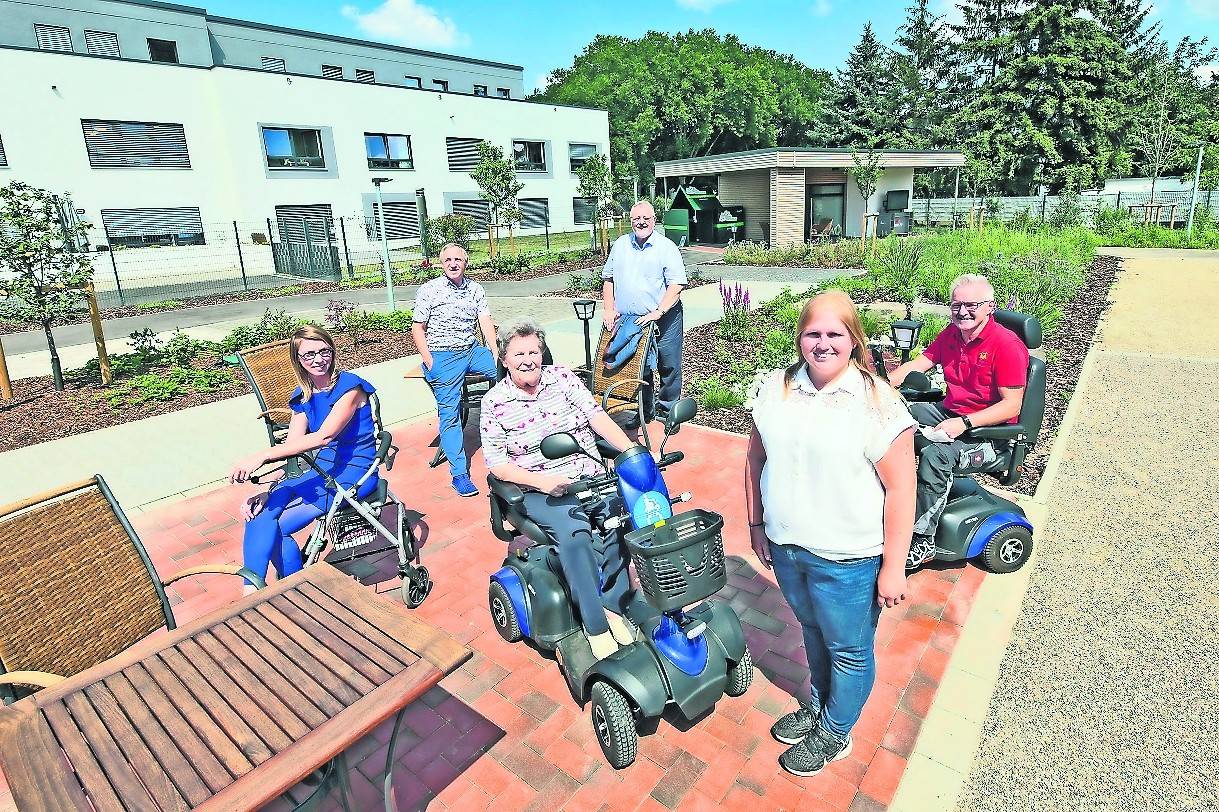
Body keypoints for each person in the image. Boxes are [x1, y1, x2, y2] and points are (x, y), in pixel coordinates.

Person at [744, 290, 916, 778]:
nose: (822, 344)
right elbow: (755, 458)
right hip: (788, 548)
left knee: (849, 649)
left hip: (849, 559)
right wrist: (757, 524)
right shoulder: (776, 389)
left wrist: (894, 568)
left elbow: (902, 490)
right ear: (799, 338)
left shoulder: (877, 402)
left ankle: (836, 732)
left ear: (852, 338)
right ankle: (820, 707)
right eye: (812, 333)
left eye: (834, 334)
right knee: (812, 632)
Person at [480, 318, 638, 660]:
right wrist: (543, 482)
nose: (528, 359)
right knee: (576, 534)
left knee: (623, 518)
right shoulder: (494, 402)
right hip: (540, 487)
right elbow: (497, 464)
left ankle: (612, 604)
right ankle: (594, 624)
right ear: (504, 359)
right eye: (519, 353)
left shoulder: (563, 377)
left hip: (590, 475)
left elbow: (596, 416)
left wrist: (631, 451)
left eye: (534, 351)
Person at [889, 273, 1029, 565]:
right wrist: (884, 385)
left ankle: (921, 540)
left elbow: (1011, 405)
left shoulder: (1007, 346)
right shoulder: (953, 334)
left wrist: (964, 423)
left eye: (971, 305)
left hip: (991, 436)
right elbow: (922, 362)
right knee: (892, 417)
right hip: (950, 412)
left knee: (937, 456)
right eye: (956, 305)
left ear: (990, 307)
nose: (962, 312)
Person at [230, 325, 380, 589]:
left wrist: (263, 456)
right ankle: (254, 589)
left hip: (354, 472)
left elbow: (324, 437)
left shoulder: (350, 388)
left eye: (324, 351)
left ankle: (292, 587)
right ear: (298, 360)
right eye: (309, 355)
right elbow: (295, 450)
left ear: (333, 351)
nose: (319, 360)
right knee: (260, 514)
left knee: (277, 527)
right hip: (321, 469)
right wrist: (270, 488)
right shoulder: (302, 396)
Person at [411, 242, 498, 497]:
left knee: (512, 372)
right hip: (443, 355)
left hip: (472, 351)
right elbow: (418, 328)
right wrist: (429, 360)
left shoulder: (475, 289)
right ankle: (459, 474)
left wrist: (495, 352)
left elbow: (485, 321)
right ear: (441, 263)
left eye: (458, 259)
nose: (453, 264)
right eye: (447, 260)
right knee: (449, 415)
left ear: (466, 262)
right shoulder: (429, 290)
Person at [601, 200, 687, 424]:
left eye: (645, 218)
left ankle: (669, 412)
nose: (641, 222)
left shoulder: (666, 247)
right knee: (639, 367)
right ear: (631, 221)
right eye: (636, 219)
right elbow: (608, 278)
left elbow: (676, 285)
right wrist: (608, 308)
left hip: (665, 317)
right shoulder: (620, 245)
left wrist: (659, 311)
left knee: (668, 365)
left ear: (654, 220)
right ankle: (644, 411)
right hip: (634, 321)